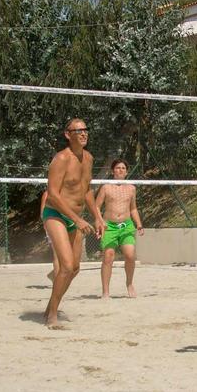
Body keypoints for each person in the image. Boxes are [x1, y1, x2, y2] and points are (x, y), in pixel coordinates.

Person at [43, 119, 105, 328]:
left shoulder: (88, 158)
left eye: (86, 130)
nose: (83, 134)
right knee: (67, 266)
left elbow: (86, 190)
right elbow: (52, 195)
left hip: (75, 218)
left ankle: (51, 304)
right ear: (68, 134)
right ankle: (52, 316)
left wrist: (97, 216)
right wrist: (77, 219)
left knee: (75, 268)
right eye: (78, 130)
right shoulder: (61, 159)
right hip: (56, 215)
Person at [95, 159, 144, 298]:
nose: (120, 170)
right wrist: (99, 222)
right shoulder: (105, 187)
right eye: (117, 168)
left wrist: (139, 224)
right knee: (108, 257)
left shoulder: (132, 188)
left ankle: (129, 284)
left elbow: (133, 208)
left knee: (130, 255)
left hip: (126, 225)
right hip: (109, 226)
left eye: (123, 168)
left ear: (127, 171)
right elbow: (96, 206)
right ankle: (105, 291)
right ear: (113, 171)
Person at [39, 190, 59, 283]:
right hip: (52, 224)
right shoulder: (47, 194)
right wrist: (47, 225)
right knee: (57, 255)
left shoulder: (65, 193)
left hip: (66, 225)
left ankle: (53, 274)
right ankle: (58, 281)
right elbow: (43, 213)